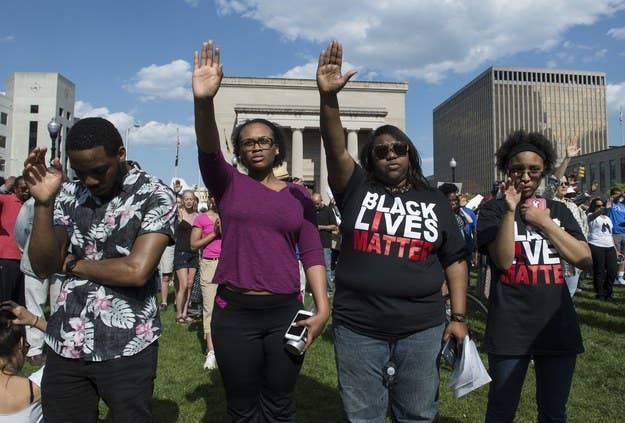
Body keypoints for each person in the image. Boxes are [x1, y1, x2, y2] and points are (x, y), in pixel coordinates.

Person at [317, 40, 468, 421]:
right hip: (358, 328)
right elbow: (335, 149)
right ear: (371, 159)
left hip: (422, 327)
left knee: (417, 413)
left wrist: (460, 318)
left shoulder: (433, 200)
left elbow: (455, 260)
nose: (390, 155)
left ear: (409, 154)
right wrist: (328, 99)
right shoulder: (356, 190)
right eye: (381, 151)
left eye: (398, 148)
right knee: (363, 415)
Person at [193, 40, 330, 421]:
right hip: (234, 311)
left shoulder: (297, 195)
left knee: (281, 401)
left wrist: (322, 307)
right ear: (239, 150)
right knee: (241, 405)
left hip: (286, 311)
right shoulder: (228, 184)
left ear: (277, 149)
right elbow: (207, 151)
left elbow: (314, 251)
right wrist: (204, 101)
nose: (256, 146)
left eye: (264, 141)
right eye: (248, 142)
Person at [22, 117, 177, 422]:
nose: (90, 181)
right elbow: (42, 266)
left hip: (129, 342)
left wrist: (73, 265)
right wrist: (43, 204)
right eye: (81, 173)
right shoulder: (69, 194)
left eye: (98, 171)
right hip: (66, 340)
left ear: (120, 154)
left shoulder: (154, 195)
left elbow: (136, 271)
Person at [476, 130, 592, 423]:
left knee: (553, 413)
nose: (525, 177)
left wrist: (545, 223)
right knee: (501, 410)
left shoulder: (559, 211)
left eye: (533, 170)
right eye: (517, 169)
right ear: (507, 170)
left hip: (557, 326)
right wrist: (510, 210)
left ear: (543, 173)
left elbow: (583, 258)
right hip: (510, 328)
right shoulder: (491, 210)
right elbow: (502, 261)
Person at [0, 301, 45, 423]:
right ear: (20, 343)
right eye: (27, 346)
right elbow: (74, 343)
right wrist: (34, 321)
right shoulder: (38, 386)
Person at [190, 196, 221, 369]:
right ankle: (211, 352)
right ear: (210, 199)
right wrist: (214, 234)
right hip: (210, 264)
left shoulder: (230, 216)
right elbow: (193, 245)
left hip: (230, 264)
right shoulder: (201, 218)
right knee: (209, 308)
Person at [551, 176, 589, 297]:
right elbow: (550, 187)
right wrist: (566, 160)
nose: (563, 185)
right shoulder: (550, 202)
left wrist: (584, 251)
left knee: (570, 291)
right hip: (556, 253)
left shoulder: (573, 205)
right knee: (556, 293)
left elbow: (583, 229)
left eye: (566, 183)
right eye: (560, 183)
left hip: (574, 253)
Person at [0, 176, 30, 305]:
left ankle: (16, 324)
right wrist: (3, 188)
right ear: (15, 189)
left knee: (21, 299)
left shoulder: (31, 204)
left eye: (29, 189)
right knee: (5, 297)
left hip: (26, 259)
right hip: (8, 257)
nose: (26, 192)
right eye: (23, 189)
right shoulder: (6, 200)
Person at [174, 189, 199, 324]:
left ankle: (185, 313)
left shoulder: (198, 216)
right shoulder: (179, 213)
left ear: (194, 200)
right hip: (181, 253)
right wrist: (175, 193)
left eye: (191, 199)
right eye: (186, 199)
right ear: (183, 201)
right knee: (183, 285)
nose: (189, 201)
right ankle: (179, 316)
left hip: (194, 254)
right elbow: (171, 204)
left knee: (189, 285)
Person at [587, 198, 618, 301]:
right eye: (598, 206)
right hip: (596, 244)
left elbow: (610, 234)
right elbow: (590, 217)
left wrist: (615, 249)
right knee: (599, 271)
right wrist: (603, 209)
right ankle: (600, 294)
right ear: (593, 206)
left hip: (609, 246)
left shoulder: (608, 219)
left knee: (612, 271)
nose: (600, 207)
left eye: (602, 205)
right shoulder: (590, 216)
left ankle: (608, 292)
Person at [312, 193, 338, 295]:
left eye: (317, 204)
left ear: (321, 200)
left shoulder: (328, 211)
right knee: (315, 267)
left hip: (325, 243)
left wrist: (321, 227)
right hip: (313, 243)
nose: (316, 206)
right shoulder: (311, 210)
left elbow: (334, 227)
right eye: (314, 204)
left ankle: (329, 290)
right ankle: (317, 289)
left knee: (326, 267)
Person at [606, 187, 625, 285]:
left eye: (619, 194)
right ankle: (612, 276)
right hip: (614, 233)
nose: (619, 196)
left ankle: (620, 277)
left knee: (623, 256)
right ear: (612, 195)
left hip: (624, 232)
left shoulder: (623, 205)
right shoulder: (610, 204)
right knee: (615, 256)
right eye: (616, 194)